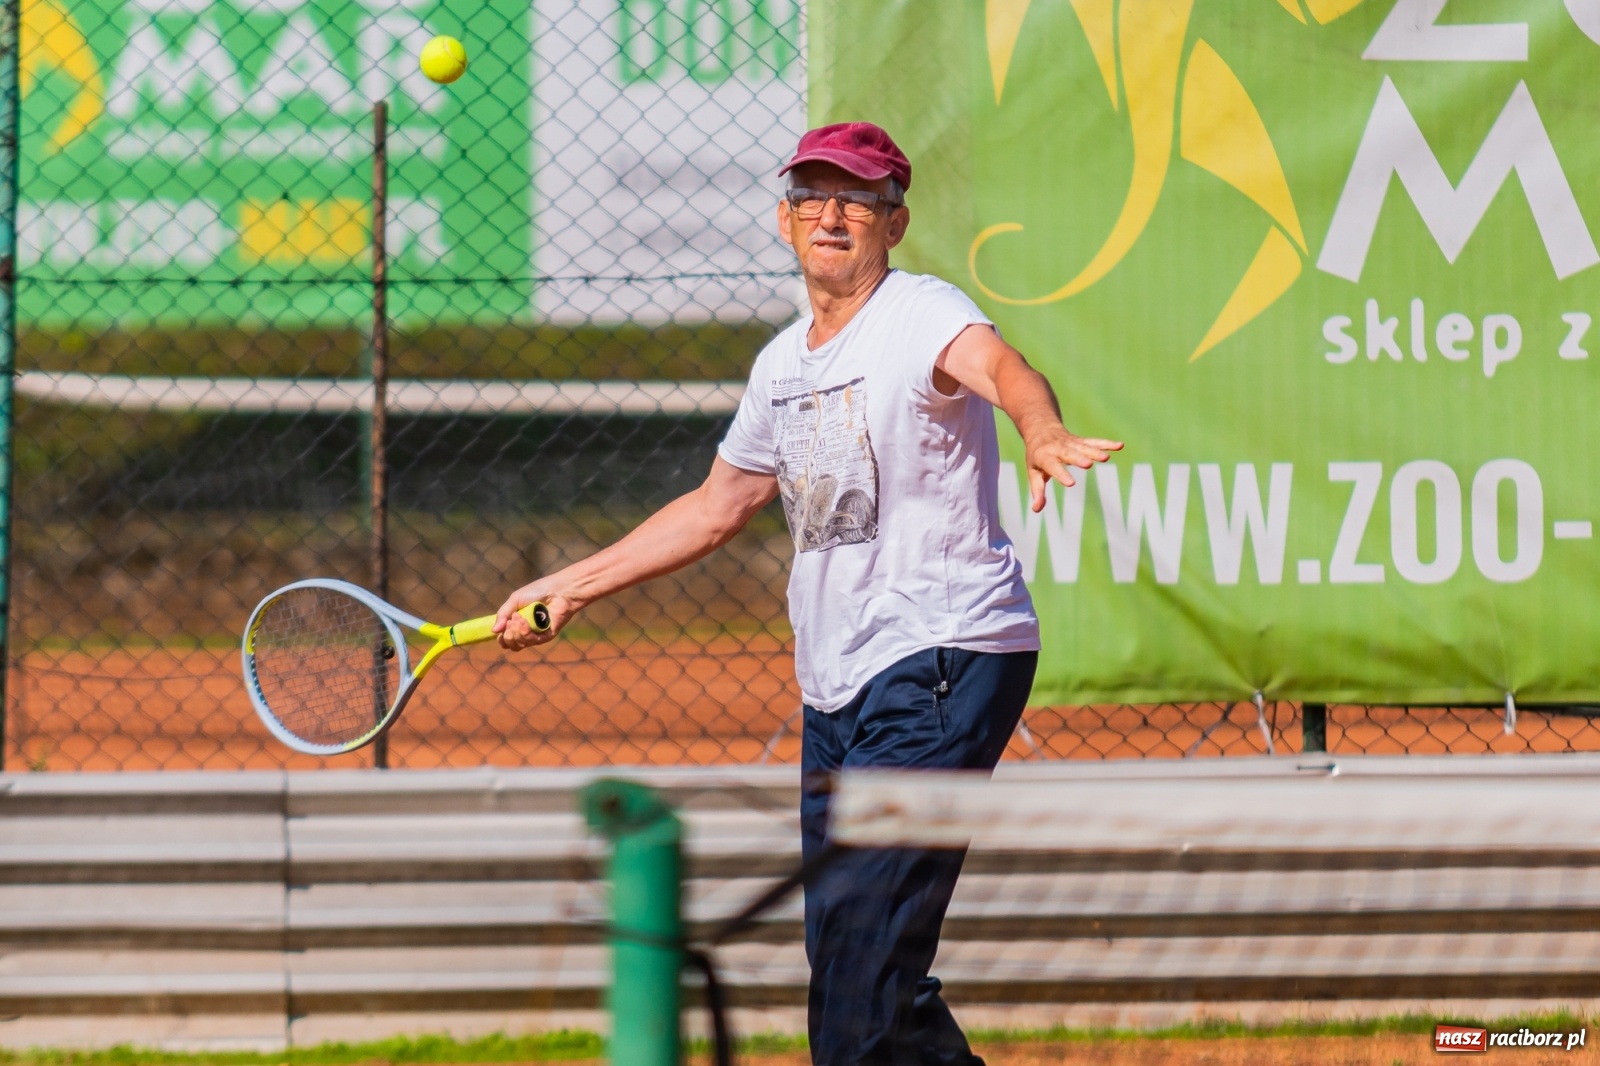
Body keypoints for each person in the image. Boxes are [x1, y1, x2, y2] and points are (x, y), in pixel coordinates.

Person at [494, 121, 1122, 1066]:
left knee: (862, 969)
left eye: (858, 199)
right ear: (785, 219)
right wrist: (571, 586)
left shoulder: (921, 311)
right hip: (836, 688)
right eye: (814, 196)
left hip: (941, 657)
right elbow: (717, 507)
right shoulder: (782, 364)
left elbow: (1003, 369)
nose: (833, 214)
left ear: (893, 223)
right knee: (850, 957)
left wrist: (1038, 426)